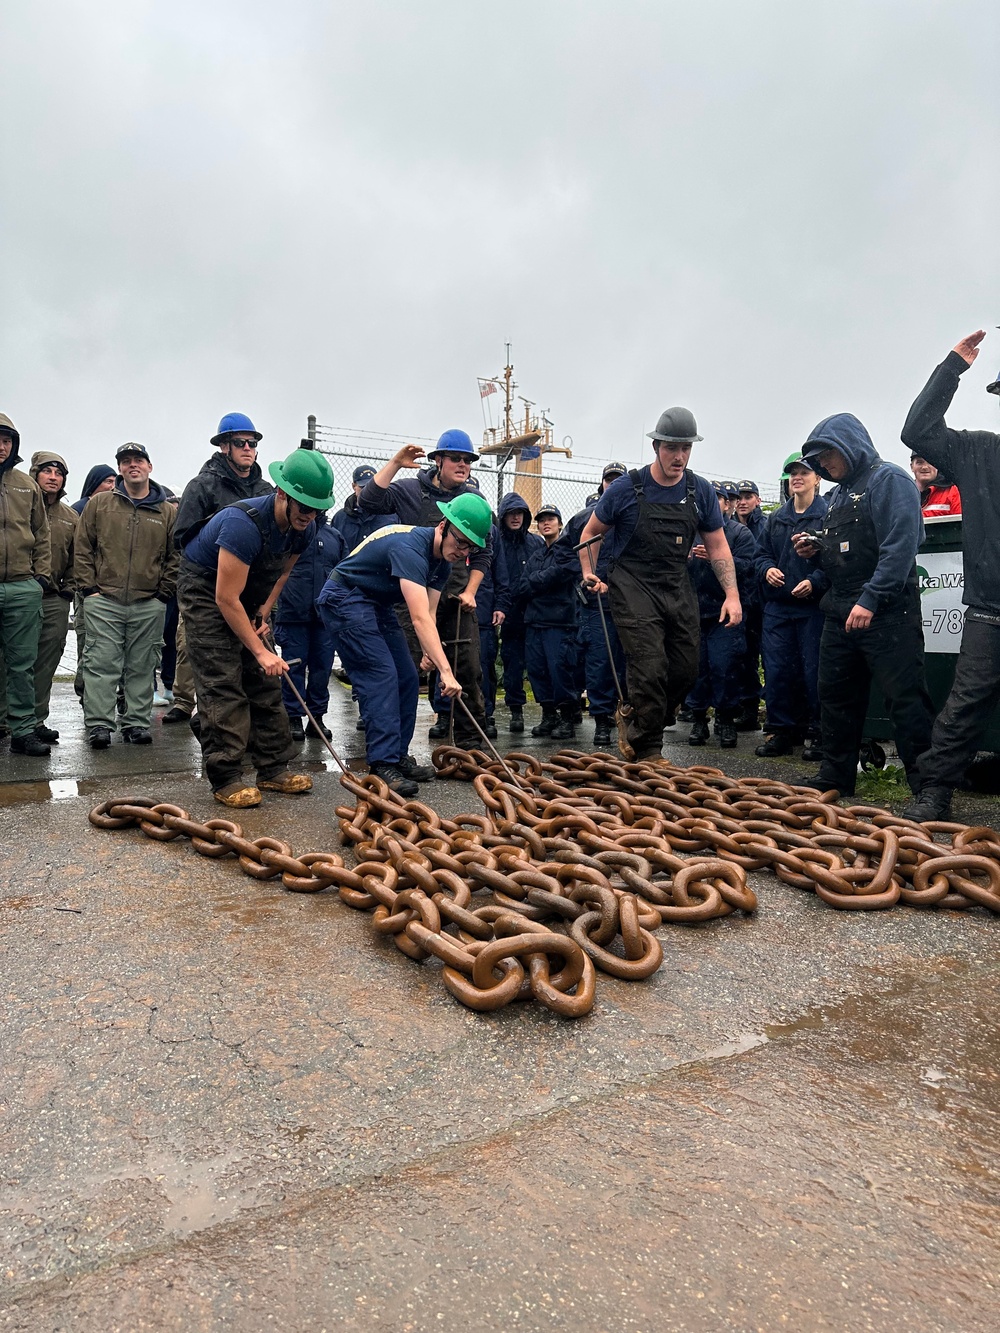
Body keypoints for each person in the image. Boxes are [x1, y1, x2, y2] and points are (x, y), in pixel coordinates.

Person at [577, 407, 741, 762]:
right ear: (656, 447)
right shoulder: (625, 489)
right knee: (649, 666)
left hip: (676, 584)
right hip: (632, 585)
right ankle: (647, 747)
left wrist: (732, 594)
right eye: (671, 448)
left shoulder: (700, 491)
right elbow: (590, 534)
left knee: (686, 668)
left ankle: (640, 717)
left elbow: (717, 544)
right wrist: (590, 573)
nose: (679, 456)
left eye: (685, 448)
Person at [178, 446, 334, 807]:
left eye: (316, 510)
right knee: (223, 680)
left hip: (248, 591)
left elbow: (282, 573)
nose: (309, 516)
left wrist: (263, 612)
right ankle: (226, 776)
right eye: (304, 507)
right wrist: (260, 650)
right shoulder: (242, 525)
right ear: (282, 494)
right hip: (206, 589)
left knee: (265, 682)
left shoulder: (304, 530)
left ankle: (274, 767)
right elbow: (224, 599)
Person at [792, 413, 934, 797]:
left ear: (849, 447)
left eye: (826, 457)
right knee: (835, 696)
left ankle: (928, 789)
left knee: (905, 700)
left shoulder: (890, 480)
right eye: (817, 461)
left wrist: (871, 599)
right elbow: (847, 550)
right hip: (840, 610)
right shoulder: (836, 494)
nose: (822, 466)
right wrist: (816, 550)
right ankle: (835, 777)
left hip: (888, 613)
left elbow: (901, 547)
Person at [316, 492, 493, 796]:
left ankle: (397, 756)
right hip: (345, 597)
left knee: (409, 677)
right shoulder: (410, 548)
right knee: (381, 675)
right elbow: (418, 617)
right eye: (460, 542)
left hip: (377, 602)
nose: (462, 551)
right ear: (443, 527)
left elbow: (431, 612)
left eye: (470, 547)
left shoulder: (444, 565)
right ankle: (382, 764)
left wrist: (430, 653)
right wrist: (446, 672)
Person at [900, 329, 1000, 820]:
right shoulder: (978, 452)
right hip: (990, 611)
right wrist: (952, 368)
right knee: (962, 706)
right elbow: (917, 432)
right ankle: (936, 792)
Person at [359, 430, 492, 746]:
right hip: (411, 596)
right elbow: (369, 500)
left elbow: (485, 550)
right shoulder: (409, 490)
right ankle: (391, 747)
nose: (463, 465)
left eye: (468, 461)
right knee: (401, 671)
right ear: (439, 460)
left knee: (467, 668)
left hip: (456, 598)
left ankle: (470, 742)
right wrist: (394, 463)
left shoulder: (474, 502)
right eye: (456, 459)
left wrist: (471, 591)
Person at [167, 412, 273, 727]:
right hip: (206, 588)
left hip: (252, 591)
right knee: (201, 658)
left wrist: (267, 606)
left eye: (252, 443)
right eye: (240, 442)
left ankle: (249, 734)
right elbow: (181, 538)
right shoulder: (202, 486)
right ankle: (197, 712)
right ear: (224, 446)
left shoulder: (267, 489)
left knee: (257, 664)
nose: (248, 448)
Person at [75, 443, 178, 748]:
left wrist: (163, 594)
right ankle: (99, 725)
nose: (133, 465)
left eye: (139, 460)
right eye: (126, 461)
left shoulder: (165, 512)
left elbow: (176, 556)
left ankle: (135, 722)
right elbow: (83, 547)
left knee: (142, 664)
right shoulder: (101, 504)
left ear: (149, 466)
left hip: (149, 602)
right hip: (104, 600)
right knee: (100, 663)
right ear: (120, 469)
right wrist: (89, 590)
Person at [754, 452, 828, 759]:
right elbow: (761, 555)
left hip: (812, 609)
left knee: (814, 673)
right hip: (778, 610)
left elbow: (837, 559)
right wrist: (766, 569)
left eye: (804, 472)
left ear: (817, 478)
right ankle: (782, 731)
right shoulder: (776, 519)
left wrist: (815, 581)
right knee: (778, 671)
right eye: (792, 473)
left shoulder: (827, 515)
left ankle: (819, 733)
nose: (797, 477)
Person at [685, 484, 757, 749]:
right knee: (697, 668)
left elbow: (748, 566)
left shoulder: (739, 533)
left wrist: (715, 559)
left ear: (728, 504)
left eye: (717, 499)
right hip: (694, 611)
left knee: (724, 666)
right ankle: (698, 720)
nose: (711, 504)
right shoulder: (690, 532)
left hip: (724, 611)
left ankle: (725, 720)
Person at [565, 462, 629, 748]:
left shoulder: (633, 515)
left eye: (619, 480)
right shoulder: (583, 519)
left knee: (632, 663)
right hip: (597, 604)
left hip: (630, 601)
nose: (613, 485)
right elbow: (564, 554)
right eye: (609, 480)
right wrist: (584, 575)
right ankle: (602, 719)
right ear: (601, 484)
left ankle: (631, 717)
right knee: (600, 663)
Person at [0, 414, 52, 756]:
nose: (1, 446)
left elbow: (42, 534)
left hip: (22, 586)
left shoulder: (25, 484)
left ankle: (22, 730)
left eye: (7, 439)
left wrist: (40, 578)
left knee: (22, 663)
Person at [273, 503, 347, 741]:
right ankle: (293, 716)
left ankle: (316, 717)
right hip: (293, 613)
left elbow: (343, 573)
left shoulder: (334, 536)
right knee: (292, 665)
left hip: (324, 617)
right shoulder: (290, 532)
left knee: (321, 668)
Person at [29, 452, 78, 744]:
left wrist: (68, 590)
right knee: (11, 658)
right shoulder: (19, 506)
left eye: (58, 473)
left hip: (54, 597)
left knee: (47, 661)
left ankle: (35, 720)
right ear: (35, 474)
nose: (52, 477)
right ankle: (4, 719)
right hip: (21, 592)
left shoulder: (71, 517)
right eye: (46, 471)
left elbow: (77, 557)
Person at [520, 504, 581, 740]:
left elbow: (566, 572)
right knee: (537, 671)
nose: (546, 523)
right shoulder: (536, 556)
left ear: (559, 524)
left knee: (560, 670)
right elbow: (523, 586)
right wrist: (544, 581)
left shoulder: (567, 551)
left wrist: (539, 581)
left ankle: (567, 717)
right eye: (542, 519)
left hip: (559, 623)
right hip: (535, 622)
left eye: (551, 519)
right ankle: (549, 715)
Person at [496, 491, 545, 733]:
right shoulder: (497, 543)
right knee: (512, 663)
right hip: (510, 612)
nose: (515, 518)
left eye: (520, 513)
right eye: (511, 513)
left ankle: (549, 710)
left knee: (539, 663)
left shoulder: (536, 543)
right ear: (503, 516)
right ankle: (516, 709)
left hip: (534, 611)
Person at [733, 478, 766, 730]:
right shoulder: (730, 529)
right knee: (744, 658)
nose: (743, 502)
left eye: (748, 497)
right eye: (739, 498)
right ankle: (749, 709)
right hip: (741, 602)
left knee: (770, 659)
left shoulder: (765, 525)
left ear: (758, 500)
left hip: (763, 603)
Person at [330, 464, 396, 551]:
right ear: (354, 486)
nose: (367, 491)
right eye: (363, 487)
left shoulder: (391, 517)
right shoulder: (340, 518)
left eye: (371, 487)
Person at [909, 453, 962, 519]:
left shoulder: (953, 492)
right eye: (920, 462)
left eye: (930, 462)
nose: (925, 467)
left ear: (937, 465)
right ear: (912, 467)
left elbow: (961, 524)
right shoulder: (904, 495)